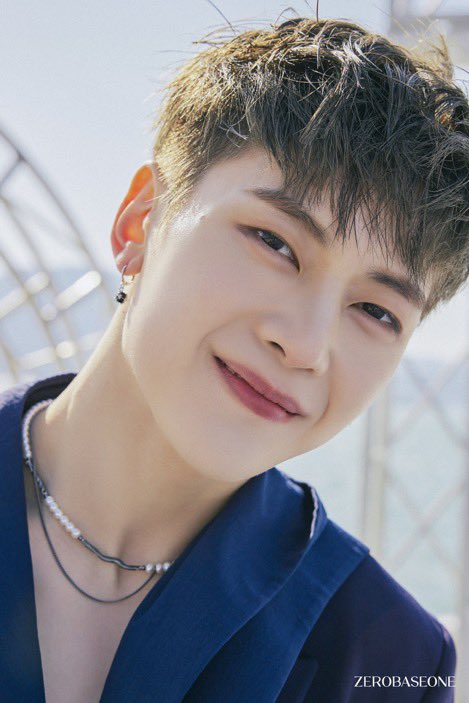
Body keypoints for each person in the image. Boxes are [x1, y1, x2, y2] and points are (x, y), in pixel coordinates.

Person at [0, 14, 467, 703]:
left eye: (376, 311)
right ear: (141, 221)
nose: (304, 345)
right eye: (274, 243)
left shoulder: (387, 659)